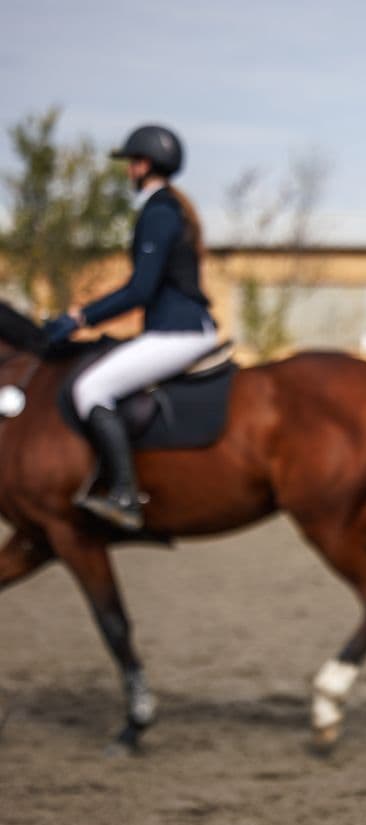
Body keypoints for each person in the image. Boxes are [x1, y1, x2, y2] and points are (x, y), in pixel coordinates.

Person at [45, 124, 218, 531]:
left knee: (90, 389)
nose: (128, 171)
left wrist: (80, 318)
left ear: (144, 165)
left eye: (131, 163)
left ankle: (125, 495)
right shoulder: (169, 208)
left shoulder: (159, 212)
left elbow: (140, 289)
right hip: (178, 327)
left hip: (179, 332)